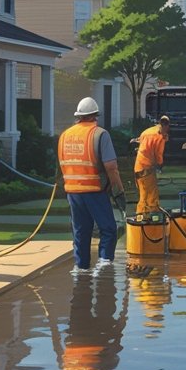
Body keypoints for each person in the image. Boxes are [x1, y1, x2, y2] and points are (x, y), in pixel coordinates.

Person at [58, 97, 124, 273]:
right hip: (94, 189)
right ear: (95, 115)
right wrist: (118, 187)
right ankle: (104, 262)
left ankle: (81, 267)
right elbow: (111, 166)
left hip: (73, 191)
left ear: (78, 116)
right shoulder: (100, 134)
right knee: (109, 228)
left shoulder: (65, 135)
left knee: (80, 231)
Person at [132, 115, 169, 216]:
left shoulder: (147, 132)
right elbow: (159, 154)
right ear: (166, 125)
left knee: (144, 192)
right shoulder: (160, 137)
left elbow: (140, 143)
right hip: (147, 168)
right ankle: (148, 217)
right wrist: (160, 164)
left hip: (138, 167)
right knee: (149, 195)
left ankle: (145, 216)